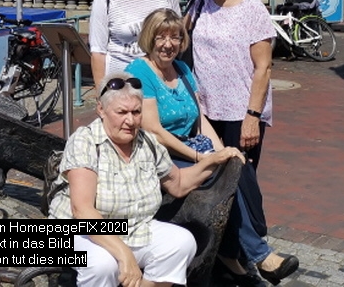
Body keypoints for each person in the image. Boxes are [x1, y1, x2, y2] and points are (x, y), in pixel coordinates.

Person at [127, 9, 297, 285]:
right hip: (159, 154)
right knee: (218, 177)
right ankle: (258, 255)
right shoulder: (139, 72)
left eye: (175, 37)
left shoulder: (182, 69)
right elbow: (154, 131)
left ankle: (233, 256)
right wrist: (201, 157)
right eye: (161, 37)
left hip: (192, 145)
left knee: (237, 167)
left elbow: (199, 118)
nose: (168, 44)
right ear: (149, 38)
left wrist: (222, 152)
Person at [48, 72, 244, 287]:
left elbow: (178, 184)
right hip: (78, 231)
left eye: (136, 111)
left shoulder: (147, 143)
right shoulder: (85, 140)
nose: (130, 120)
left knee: (181, 243)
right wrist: (124, 254)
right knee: (104, 264)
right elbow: (82, 210)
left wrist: (214, 160)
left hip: (133, 227)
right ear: (101, 110)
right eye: (121, 112)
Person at [187, 0, 298, 284]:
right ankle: (234, 258)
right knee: (218, 185)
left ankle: (240, 254)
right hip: (207, 111)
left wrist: (252, 116)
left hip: (241, 112)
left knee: (240, 183)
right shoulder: (201, 2)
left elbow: (263, 68)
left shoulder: (252, 8)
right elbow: (179, 36)